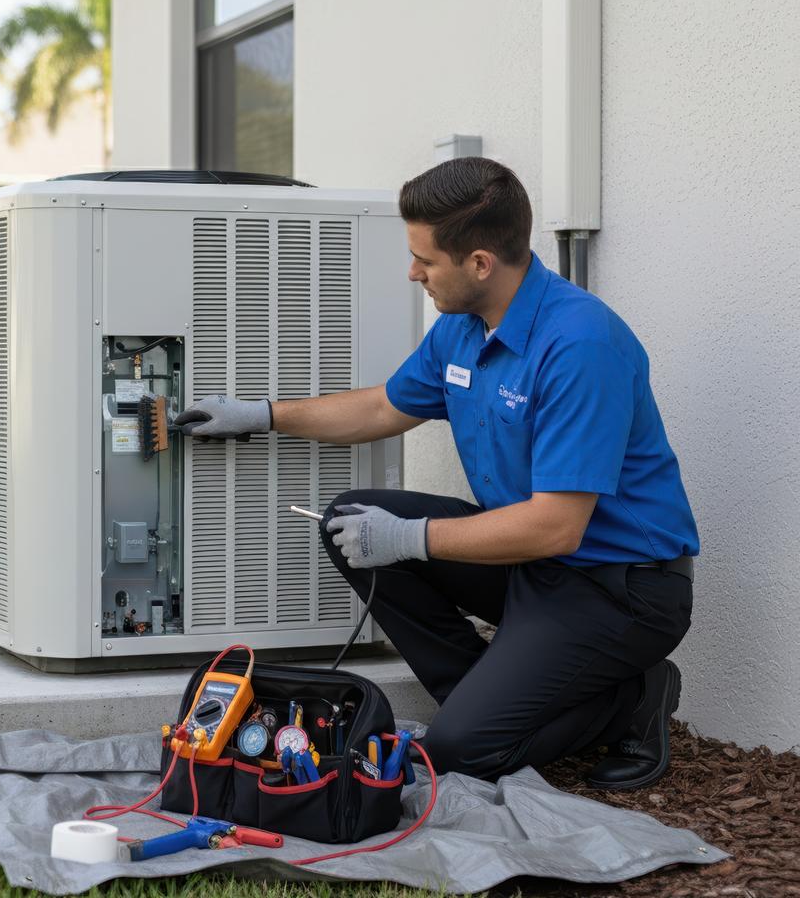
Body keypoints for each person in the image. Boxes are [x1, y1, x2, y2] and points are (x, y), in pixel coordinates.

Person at [175, 157, 699, 790]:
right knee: (348, 521)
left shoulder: (580, 345)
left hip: (618, 590)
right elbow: (381, 406)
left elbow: (557, 526)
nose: (413, 272)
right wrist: (258, 415)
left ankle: (634, 700)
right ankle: (483, 695)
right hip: (533, 565)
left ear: (480, 263)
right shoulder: (461, 329)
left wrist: (408, 536)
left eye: (425, 258)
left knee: (455, 755)